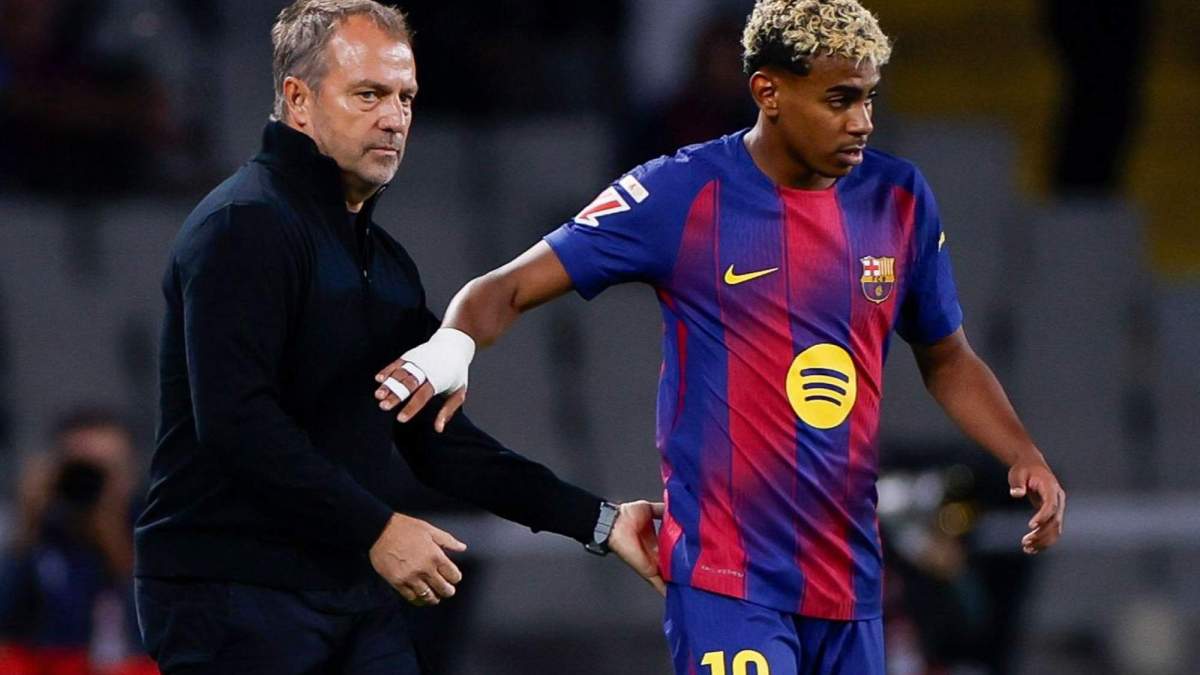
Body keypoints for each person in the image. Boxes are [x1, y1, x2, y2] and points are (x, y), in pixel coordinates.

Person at [376, 1, 1068, 673]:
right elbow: (504, 288)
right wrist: (451, 348)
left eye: (869, 98)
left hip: (851, 582)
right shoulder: (679, 193)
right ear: (768, 90)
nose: (862, 122)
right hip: (727, 579)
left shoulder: (899, 197)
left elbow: (946, 356)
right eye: (839, 99)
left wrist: (1021, 450)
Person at [133, 2, 659, 673]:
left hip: (345, 585)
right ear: (297, 100)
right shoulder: (245, 227)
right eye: (369, 94)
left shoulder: (382, 263)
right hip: (232, 588)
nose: (395, 117)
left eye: (406, 97)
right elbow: (235, 421)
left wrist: (601, 521)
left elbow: (433, 439)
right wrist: (376, 527)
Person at [0, 408, 154, 675]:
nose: (90, 484)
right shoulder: (36, 536)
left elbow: (148, 628)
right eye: (80, 468)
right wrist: (29, 527)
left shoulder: (153, 531)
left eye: (105, 470)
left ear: (129, 475)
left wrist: (113, 534)